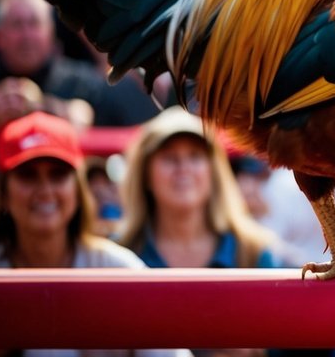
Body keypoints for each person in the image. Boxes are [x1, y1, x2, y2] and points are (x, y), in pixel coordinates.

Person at [0, 111, 191, 357]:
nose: (45, 190)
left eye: (58, 175)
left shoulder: (119, 271)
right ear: (3, 193)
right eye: (28, 175)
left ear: (78, 190)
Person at [0, 0, 155, 132]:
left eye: (34, 23)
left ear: (51, 33)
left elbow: (128, 121)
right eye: (17, 24)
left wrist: (62, 112)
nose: (26, 35)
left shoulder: (81, 83)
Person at [116, 106, 283, 269]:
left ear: (213, 171)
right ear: (145, 175)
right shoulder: (115, 255)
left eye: (195, 156)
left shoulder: (253, 252)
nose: (183, 168)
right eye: (169, 157)